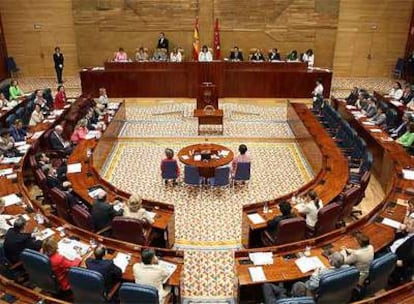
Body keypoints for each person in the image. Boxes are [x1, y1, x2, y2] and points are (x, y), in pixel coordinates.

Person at [389, 217, 414, 283]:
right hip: (391, 249)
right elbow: (399, 240)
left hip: (392, 257)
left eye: (408, 224)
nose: (406, 224)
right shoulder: (409, 232)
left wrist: (390, 261)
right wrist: (399, 230)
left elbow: (404, 263)